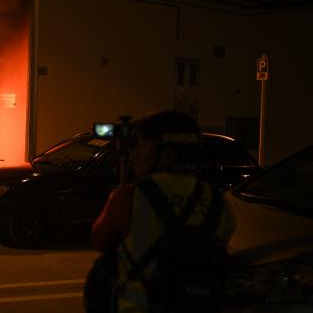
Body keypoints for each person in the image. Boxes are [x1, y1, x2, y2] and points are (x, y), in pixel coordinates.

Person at [91, 110, 236, 313]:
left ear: (166, 154)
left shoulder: (129, 197)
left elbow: (100, 240)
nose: (134, 155)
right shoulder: (218, 203)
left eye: (142, 146)